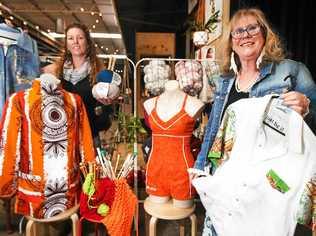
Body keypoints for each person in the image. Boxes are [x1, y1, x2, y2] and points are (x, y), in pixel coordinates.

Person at [193, 7, 316, 235]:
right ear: (231, 41)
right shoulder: (225, 80)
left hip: (267, 185)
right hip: (227, 178)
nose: (245, 35)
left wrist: (307, 108)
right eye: (238, 31)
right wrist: (201, 168)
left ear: (265, 33)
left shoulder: (292, 71)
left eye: (252, 28)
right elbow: (214, 127)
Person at [43, 23, 114, 144]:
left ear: (87, 42)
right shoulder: (55, 72)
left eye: (80, 38)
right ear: (66, 44)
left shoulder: (99, 73)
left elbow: (105, 118)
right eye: (70, 38)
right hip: (60, 138)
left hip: (89, 137)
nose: (75, 42)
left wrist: (107, 104)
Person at [143, 79, 204, 208]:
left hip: (182, 172)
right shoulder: (149, 104)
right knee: (157, 210)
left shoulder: (194, 104)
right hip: (155, 170)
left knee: (183, 210)